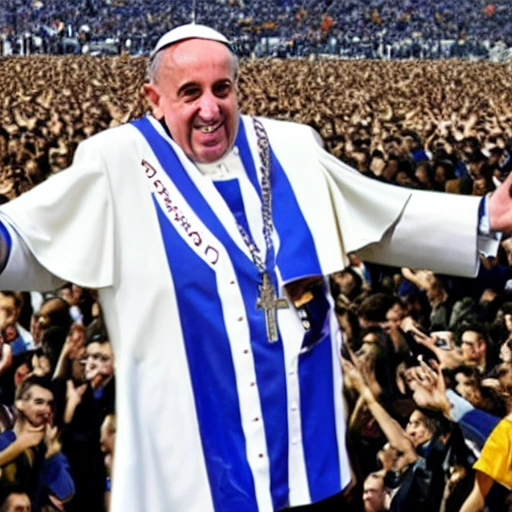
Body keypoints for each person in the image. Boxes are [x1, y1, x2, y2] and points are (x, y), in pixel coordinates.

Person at [0, 23, 511, 512]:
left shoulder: (290, 148)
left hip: (307, 461)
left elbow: (376, 217)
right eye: (190, 92)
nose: (209, 108)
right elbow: (36, 240)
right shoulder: (115, 162)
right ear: (153, 99)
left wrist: (484, 214)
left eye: (222, 88)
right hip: (191, 465)